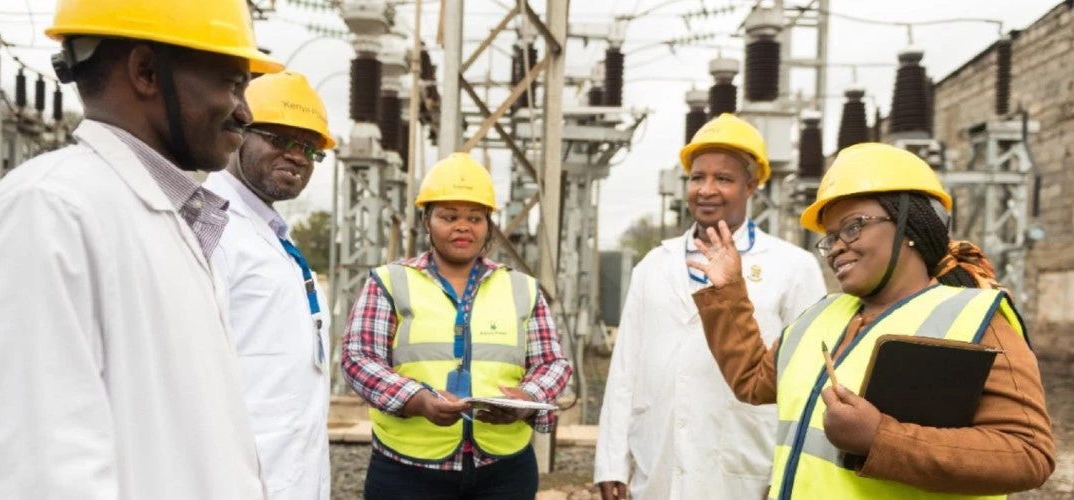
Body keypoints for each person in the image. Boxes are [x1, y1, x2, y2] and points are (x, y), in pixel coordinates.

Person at [0, 1, 282, 498]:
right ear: (146, 72)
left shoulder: (160, 218)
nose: (245, 112)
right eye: (232, 84)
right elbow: (25, 473)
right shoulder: (47, 212)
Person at [689, 143, 1055, 499]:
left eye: (853, 227)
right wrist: (728, 293)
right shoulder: (820, 316)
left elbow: (1028, 453)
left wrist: (880, 438)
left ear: (910, 226)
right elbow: (752, 380)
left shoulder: (975, 320)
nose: (836, 247)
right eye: (829, 238)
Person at [594, 113, 827, 499]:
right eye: (697, 177)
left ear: (752, 186)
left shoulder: (793, 267)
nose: (706, 189)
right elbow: (625, 369)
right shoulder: (654, 264)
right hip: (660, 455)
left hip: (746, 454)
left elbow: (807, 377)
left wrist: (791, 470)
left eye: (724, 179)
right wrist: (611, 461)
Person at [340, 152, 573, 500]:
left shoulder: (521, 288)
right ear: (427, 221)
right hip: (408, 472)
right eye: (449, 216)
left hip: (503, 472)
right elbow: (358, 358)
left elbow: (552, 363)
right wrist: (417, 400)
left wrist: (527, 399)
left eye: (475, 218)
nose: (463, 226)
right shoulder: (390, 282)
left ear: (489, 226)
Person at [205, 71, 335, 500]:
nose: (297, 156)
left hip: (285, 474)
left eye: (308, 148)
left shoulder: (271, 231)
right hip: (235, 480)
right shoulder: (213, 230)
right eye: (279, 138)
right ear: (238, 131)